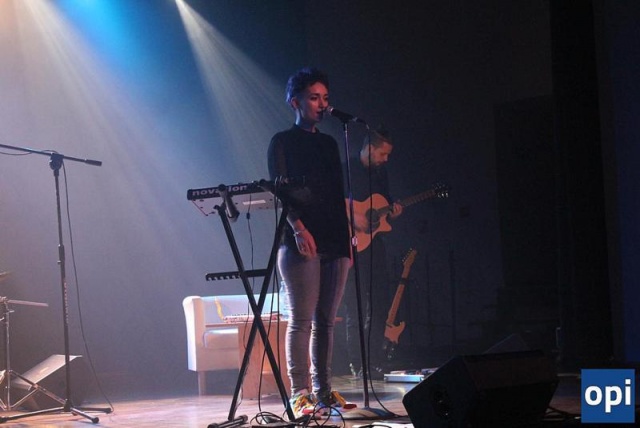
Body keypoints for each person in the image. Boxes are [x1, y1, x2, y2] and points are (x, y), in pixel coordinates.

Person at [267, 67, 353, 418]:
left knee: (326, 321)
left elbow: (337, 193)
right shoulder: (282, 141)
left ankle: (324, 390)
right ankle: (299, 393)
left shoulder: (329, 143)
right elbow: (279, 191)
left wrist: (348, 237)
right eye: (314, 97)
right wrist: (299, 229)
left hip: (335, 237)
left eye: (325, 98)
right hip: (301, 238)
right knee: (301, 320)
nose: (322, 104)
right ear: (295, 102)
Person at [342, 126, 403, 378]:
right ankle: (358, 363)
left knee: (380, 303)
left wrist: (392, 212)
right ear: (369, 148)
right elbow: (334, 202)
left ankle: (375, 360)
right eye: (382, 154)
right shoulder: (346, 169)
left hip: (375, 245)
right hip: (352, 245)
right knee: (355, 306)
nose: (385, 159)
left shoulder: (380, 174)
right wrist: (354, 217)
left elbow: (382, 207)